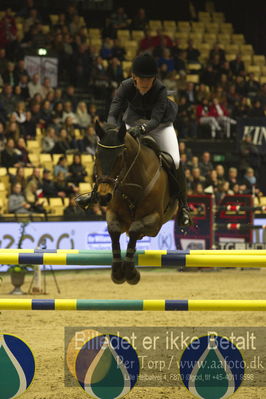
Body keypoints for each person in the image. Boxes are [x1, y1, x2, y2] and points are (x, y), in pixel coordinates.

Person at [76, 53, 192, 227]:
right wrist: (112, 131)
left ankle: (183, 206)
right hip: (133, 122)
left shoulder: (160, 90)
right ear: (133, 77)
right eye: (142, 80)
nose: (145, 84)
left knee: (175, 160)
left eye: (149, 80)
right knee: (111, 149)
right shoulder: (125, 86)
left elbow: (155, 118)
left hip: (160, 126)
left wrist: (142, 129)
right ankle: (94, 193)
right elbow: (114, 111)